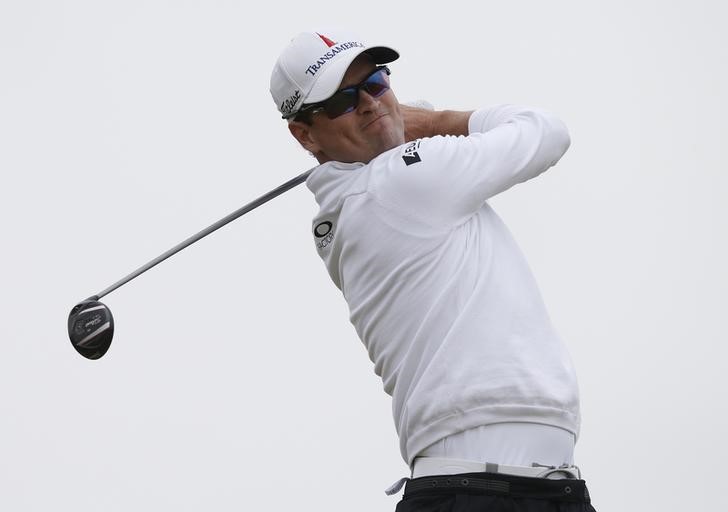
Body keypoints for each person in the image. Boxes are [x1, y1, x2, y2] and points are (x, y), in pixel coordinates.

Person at [270, 29, 597, 512]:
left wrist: (399, 128)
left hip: (535, 489)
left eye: (377, 82)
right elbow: (546, 131)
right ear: (305, 134)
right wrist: (437, 121)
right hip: (478, 492)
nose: (369, 102)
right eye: (342, 99)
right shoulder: (401, 177)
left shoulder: (354, 202)